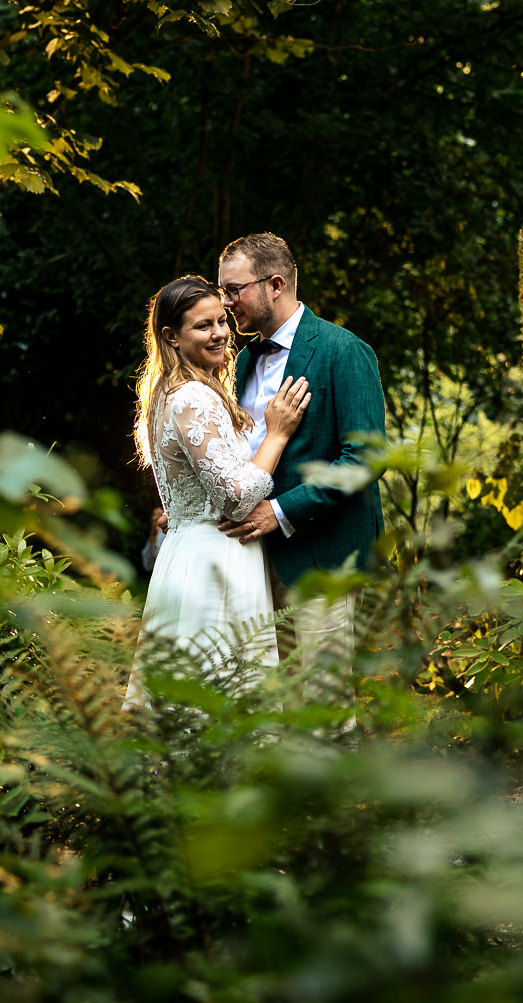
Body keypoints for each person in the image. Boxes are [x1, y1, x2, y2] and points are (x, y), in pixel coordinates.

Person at [215, 233, 387, 700]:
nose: (226, 303)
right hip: (252, 563)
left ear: (275, 284)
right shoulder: (243, 360)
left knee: (322, 707)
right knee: (270, 703)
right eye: (223, 292)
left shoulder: (343, 350)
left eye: (235, 290)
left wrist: (280, 511)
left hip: (321, 558)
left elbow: (366, 458)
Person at [127, 274, 311, 705]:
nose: (220, 333)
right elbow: (237, 498)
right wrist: (277, 434)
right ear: (171, 337)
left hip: (192, 551)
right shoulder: (193, 396)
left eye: (221, 320)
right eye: (203, 325)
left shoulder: (169, 393)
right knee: (221, 702)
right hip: (215, 560)